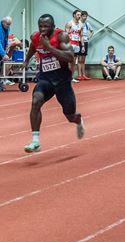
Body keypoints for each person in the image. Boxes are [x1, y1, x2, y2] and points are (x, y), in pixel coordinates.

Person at [22, 14, 85, 153]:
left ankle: (78, 120)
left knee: (70, 115)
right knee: (35, 101)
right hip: (45, 78)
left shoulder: (61, 36)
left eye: (46, 26)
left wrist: (49, 47)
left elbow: (70, 57)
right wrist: (26, 61)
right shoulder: (36, 37)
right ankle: (35, 141)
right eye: (40, 26)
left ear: (53, 26)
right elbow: (33, 47)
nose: (43, 29)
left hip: (62, 80)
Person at [65, 9, 83, 82]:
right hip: (70, 44)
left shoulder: (81, 25)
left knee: (74, 62)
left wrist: (83, 46)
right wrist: (66, 45)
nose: (79, 16)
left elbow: (81, 36)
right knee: (69, 61)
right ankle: (66, 77)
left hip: (77, 44)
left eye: (80, 15)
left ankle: (71, 77)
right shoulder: (69, 24)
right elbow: (66, 35)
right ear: (74, 15)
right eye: (78, 15)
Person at [76, 10, 93, 80]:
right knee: (79, 59)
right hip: (79, 41)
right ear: (81, 16)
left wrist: (89, 37)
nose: (85, 17)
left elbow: (92, 31)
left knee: (83, 59)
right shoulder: (78, 23)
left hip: (85, 42)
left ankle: (84, 75)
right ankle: (79, 75)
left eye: (86, 16)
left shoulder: (87, 24)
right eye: (83, 16)